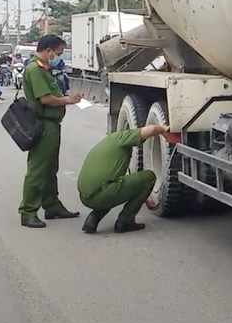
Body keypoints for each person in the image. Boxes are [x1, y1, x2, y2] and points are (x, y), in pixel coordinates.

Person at [18, 34, 83, 228]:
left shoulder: (44, 68)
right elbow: (45, 99)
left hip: (52, 124)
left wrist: (63, 97)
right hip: (43, 124)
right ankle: (28, 211)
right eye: (58, 53)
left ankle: (52, 205)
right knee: (38, 170)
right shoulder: (35, 69)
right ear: (48, 51)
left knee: (49, 168)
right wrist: (67, 101)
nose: (58, 57)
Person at [77, 125, 166, 234]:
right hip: (104, 192)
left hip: (85, 197)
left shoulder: (107, 142)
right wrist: (163, 129)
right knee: (148, 177)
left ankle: (93, 219)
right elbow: (152, 129)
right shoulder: (122, 138)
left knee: (113, 185)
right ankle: (125, 221)